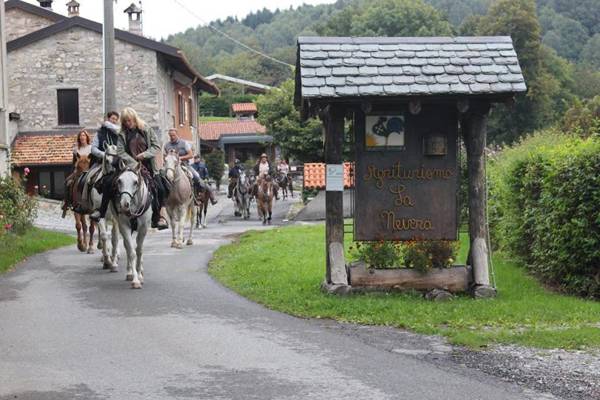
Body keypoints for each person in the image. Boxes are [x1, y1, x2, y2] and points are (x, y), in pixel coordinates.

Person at [115, 107, 169, 229]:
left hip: (148, 166)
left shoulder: (146, 129)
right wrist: (133, 162)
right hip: (129, 167)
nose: (128, 123)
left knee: (161, 188)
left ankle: (159, 217)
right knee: (112, 184)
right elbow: (120, 151)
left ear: (134, 118)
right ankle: (110, 211)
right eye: (125, 121)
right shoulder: (122, 134)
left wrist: (144, 155)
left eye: (130, 120)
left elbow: (156, 146)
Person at [163, 129, 217, 205]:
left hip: (184, 165)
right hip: (171, 166)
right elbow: (164, 156)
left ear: (177, 134)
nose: (172, 137)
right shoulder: (166, 145)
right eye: (170, 135)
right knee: (161, 178)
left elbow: (191, 155)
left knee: (196, 176)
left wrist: (180, 158)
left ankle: (199, 195)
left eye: (173, 135)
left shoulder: (184, 143)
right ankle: (162, 199)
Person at [89, 112, 121, 223]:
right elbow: (93, 149)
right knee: (89, 177)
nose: (114, 121)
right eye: (112, 118)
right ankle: (87, 203)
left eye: (116, 119)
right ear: (108, 119)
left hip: (117, 164)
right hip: (101, 162)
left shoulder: (119, 133)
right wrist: (104, 155)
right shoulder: (100, 133)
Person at [62, 129, 92, 217]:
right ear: (79, 138)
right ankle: (66, 203)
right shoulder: (76, 150)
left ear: (87, 137)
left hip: (89, 171)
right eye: (81, 136)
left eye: (84, 135)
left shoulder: (91, 148)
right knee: (67, 182)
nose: (82, 137)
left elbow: (94, 161)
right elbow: (73, 162)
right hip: (78, 172)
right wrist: (73, 172)